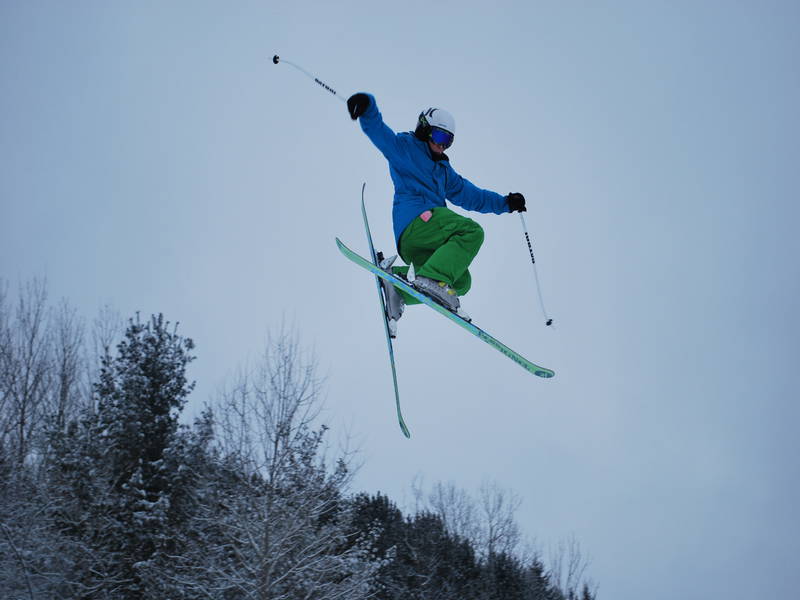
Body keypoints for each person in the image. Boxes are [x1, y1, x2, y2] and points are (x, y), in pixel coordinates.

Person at [347, 92, 527, 337]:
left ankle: (396, 285)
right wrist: (367, 107)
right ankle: (432, 278)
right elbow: (380, 132)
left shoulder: (444, 171)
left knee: (461, 282)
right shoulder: (405, 148)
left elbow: (472, 196)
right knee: (472, 231)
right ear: (424, 130)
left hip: (425, 242)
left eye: (448, 141)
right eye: (440, 137)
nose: (443, 145)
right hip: (417, 222)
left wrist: (505, 203)